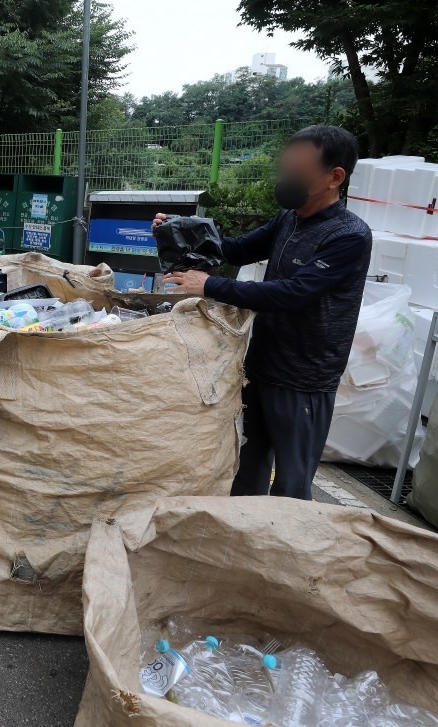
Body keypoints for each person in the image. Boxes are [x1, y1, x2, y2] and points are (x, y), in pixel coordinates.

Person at [154, 125, 372, 500]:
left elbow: (295, 293)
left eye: (297, 173)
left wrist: (209, 285)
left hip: (304, 375)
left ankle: (285, 548)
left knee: (292, 479)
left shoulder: (348, 235)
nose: (286, 179)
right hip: (262, 362)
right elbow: (234, 250)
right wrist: (177, 227)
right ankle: (242, 539)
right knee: (248, 462)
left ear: (335, 177)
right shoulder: (290, 218)